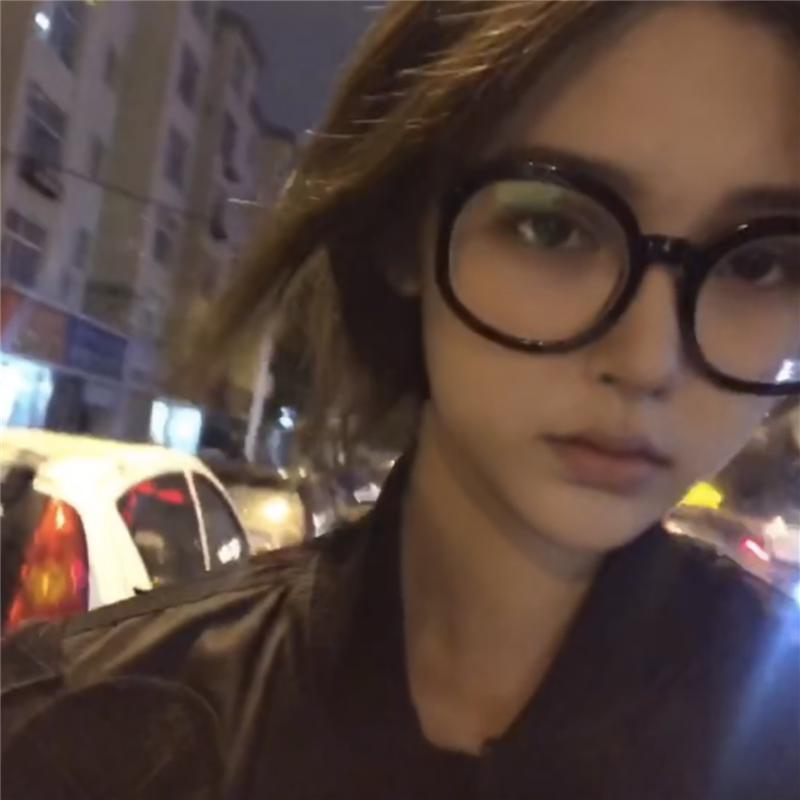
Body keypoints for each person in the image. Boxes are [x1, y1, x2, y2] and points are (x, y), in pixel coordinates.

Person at [2, 2, 799, 798]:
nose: (649, 360)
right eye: (554, 228)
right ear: (404, 230)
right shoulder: (72, 741)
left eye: (757, 262)